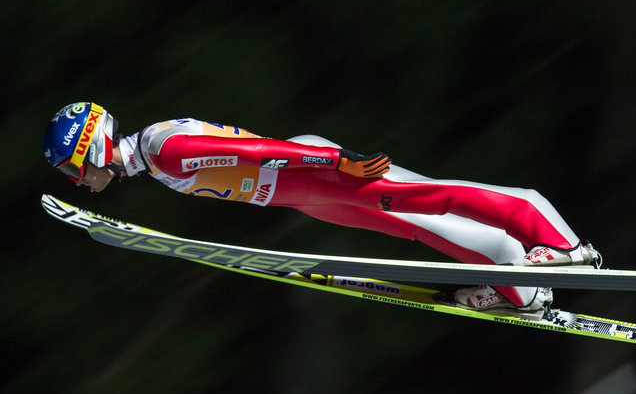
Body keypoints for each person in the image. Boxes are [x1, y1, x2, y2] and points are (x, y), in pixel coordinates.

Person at [43, 102, 601, 318]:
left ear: (92, 146)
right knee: (413, 225)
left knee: (424, 201)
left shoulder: (163, 149)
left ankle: (558, 247)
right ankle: (515, 281)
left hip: (314, 174)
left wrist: (337, 161)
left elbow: (257, 152)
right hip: (309, 194)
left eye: (73, 169)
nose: (80, 182)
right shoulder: (150, 156)